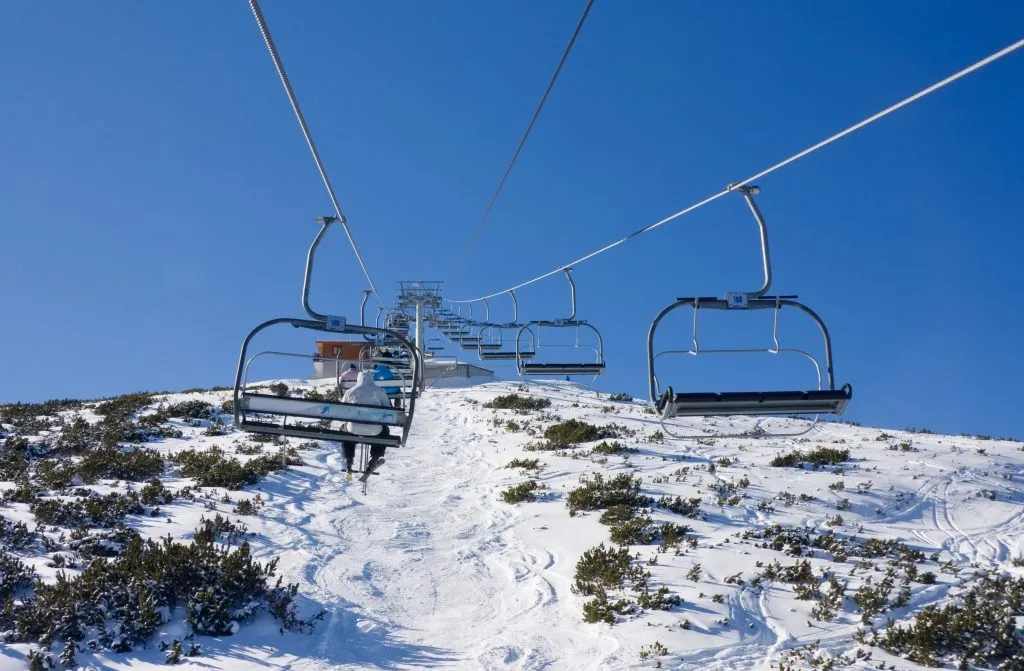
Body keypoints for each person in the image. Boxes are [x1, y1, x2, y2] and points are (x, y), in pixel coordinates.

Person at [340, 370, 392, 476]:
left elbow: (341, 409)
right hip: (375, 430)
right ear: (371, 379)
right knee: (385, 431)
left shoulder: (350, 391)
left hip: (353, 428)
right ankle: (375, 457)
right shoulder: (379, 391)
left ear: (358, 379)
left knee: (344, 430)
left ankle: (348, 460)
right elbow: (388, 409)